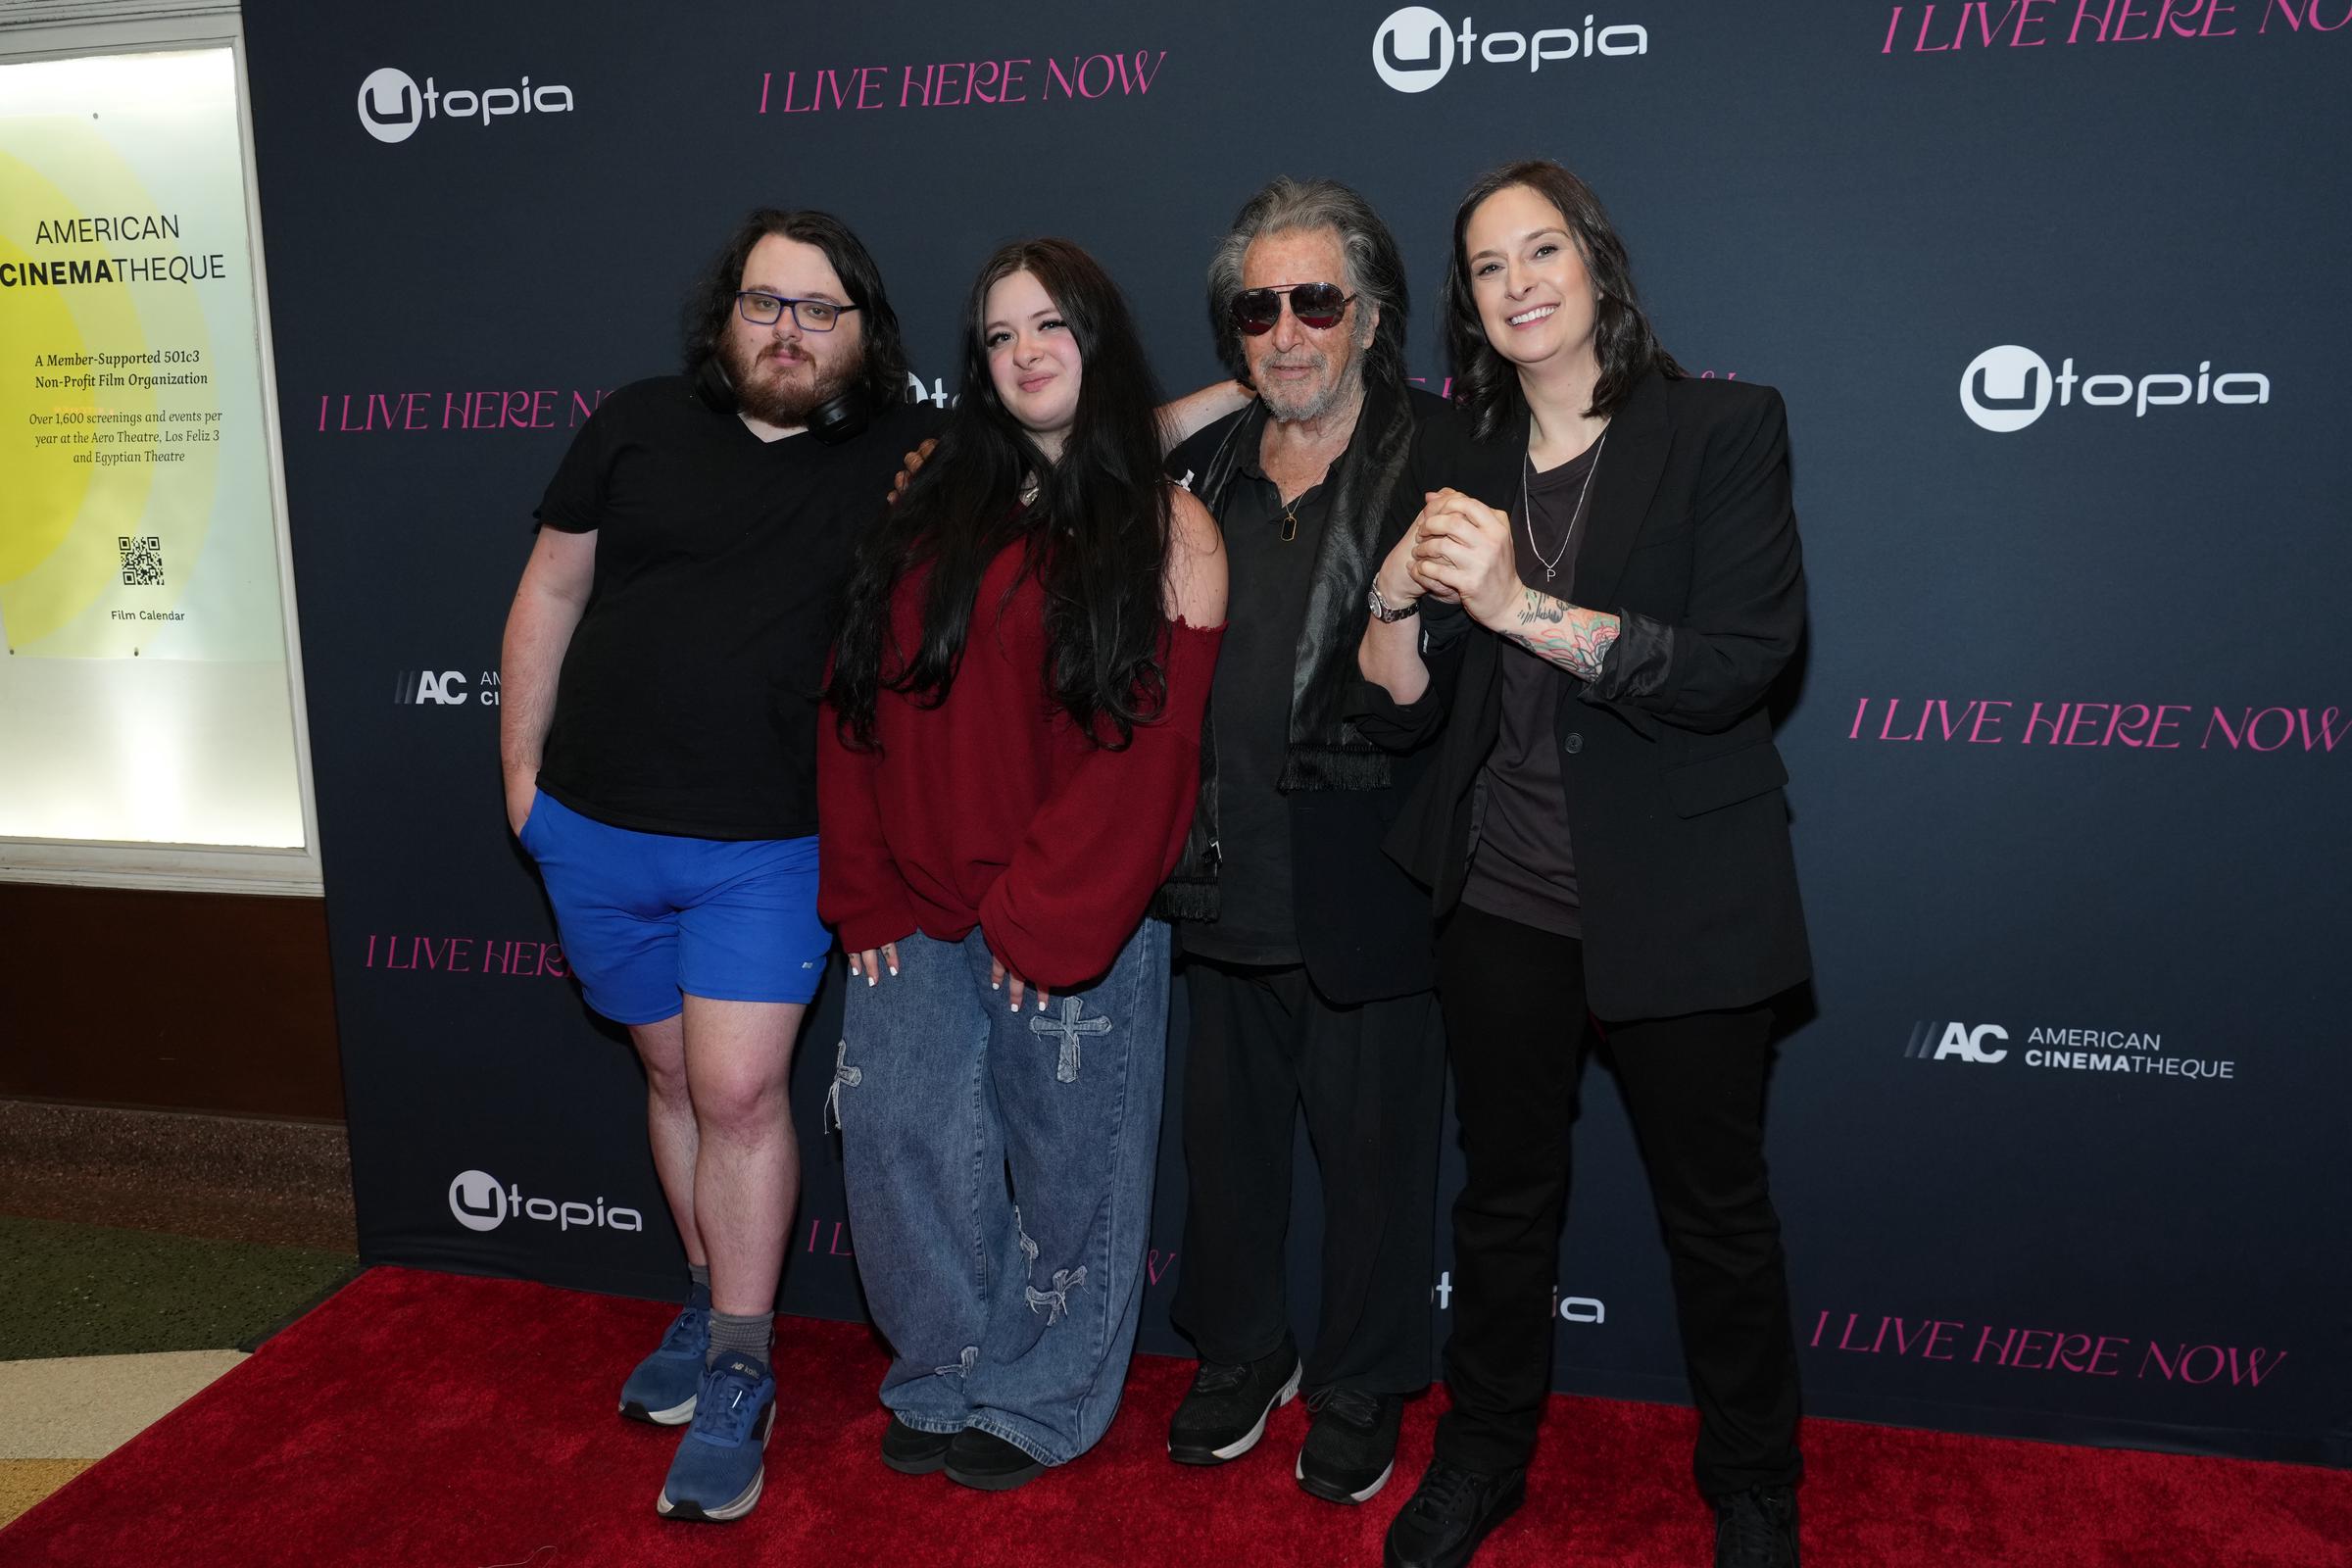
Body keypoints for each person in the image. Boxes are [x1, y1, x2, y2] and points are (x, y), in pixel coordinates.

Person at [1355, 161, 1812, 1568]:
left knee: (1717, 1217)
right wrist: (1390, 592)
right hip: (1504, 894)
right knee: (1501, 1206)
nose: (1519, 282)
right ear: (1469, 306)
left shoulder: (1723, 429)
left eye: (1542, 249)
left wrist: (1517, 604)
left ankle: (1751, 1488)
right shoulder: (1460, 465)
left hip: (1682, 890)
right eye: (1489, 267)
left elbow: (1739, 665)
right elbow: (1397, 700)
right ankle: (1483, 1457)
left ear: (1599, 264)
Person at [500, 207, 938, 1523]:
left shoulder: (908, 454)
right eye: (766, 302)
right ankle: (707, 1308)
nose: (789, 330)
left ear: (864, 335)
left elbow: (1087, 435)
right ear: (725, 315)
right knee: (672, 1079)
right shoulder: (634, 421)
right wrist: (522, 791)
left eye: (819, 308)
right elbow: (550, 595)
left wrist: (1261, 388)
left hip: (771, 845)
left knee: (740, 1091)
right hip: (592, 829)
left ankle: (742, 1367)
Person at [817, 237, 1227, 1493]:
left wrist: (1042, 921)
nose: (1023, 352)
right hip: (914, 904)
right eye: (997, 336)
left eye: (1048, 325)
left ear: (1096, 339)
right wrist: (866, 886)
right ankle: (941, 1363)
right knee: (895, 1138)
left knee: (1073, 1172)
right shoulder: (935, 501)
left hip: (1067, 915)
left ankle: (1042, 1394)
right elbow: (854, 699)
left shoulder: (1171, 527)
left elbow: (1145, 756)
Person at [1153, 177, 1447, 1507]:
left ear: (1372, 319)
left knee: (1378, 1151)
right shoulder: (1201, 467)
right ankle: (1243, 1349)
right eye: (1257, 307)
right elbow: (1063, 462)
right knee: (1226, 1147)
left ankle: (1362, 1375)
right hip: (1217, 870)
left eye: (1315, 301)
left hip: (1374, 873)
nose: (1285, 330)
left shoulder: (1442, 457)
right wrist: (1214, 403)